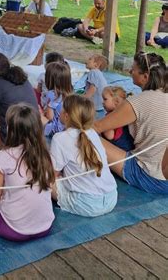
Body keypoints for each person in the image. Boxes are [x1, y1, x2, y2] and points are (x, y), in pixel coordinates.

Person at [0, 104, 55, 241]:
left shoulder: (3, 157)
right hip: (45, 226)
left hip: (15, 230)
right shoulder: (46, 155)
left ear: (11, 130)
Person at [94, 52, 168, 195]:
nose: (130, 71)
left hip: (151, 177)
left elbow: (97, 127)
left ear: (145, 76)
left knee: (87, 136)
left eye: (133, 69)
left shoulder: (137, 102)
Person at [51, 94, 118, 217]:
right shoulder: (92, 134)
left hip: (86, 204)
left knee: (43, 178)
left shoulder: (59, 139)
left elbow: (52, 174)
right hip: (111, 198)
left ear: (66, 116)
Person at [41, 61, 73, 138]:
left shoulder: (52, 94)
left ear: (49, 79)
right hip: (68, 127)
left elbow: (50, 118)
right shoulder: (70, 92)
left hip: (56, 130)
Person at [101, 86, 134, 151]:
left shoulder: (111, 117)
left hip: (120, 150)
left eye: (105, 99)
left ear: (116, 102)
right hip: (130, 146)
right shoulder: (125, 113)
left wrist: (102, 126)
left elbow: (109, 136)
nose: (102, 102)